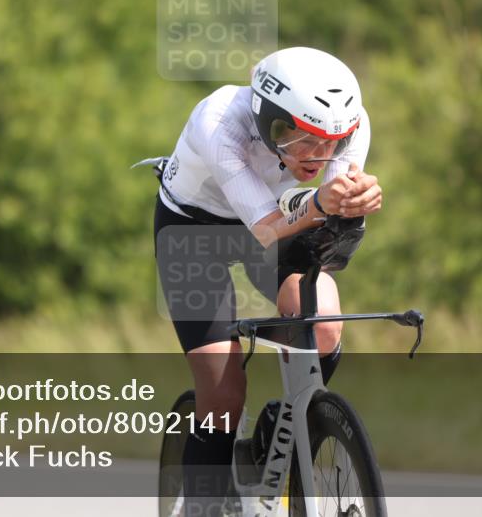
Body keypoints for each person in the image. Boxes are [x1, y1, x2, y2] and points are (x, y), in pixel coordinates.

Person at [149, 46, 383, 515]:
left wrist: (351, 209)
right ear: (268, 119)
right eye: (303, 139)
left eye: (333, 142)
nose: (320, 155)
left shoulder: (351, 126)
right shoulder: (218, 120)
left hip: (282, 222)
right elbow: (264, 226)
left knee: (324, 324)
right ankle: (203, 505)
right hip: (196, 230)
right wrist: (320, 203)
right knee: (223, 391)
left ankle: (289, 422)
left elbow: (322, 222)